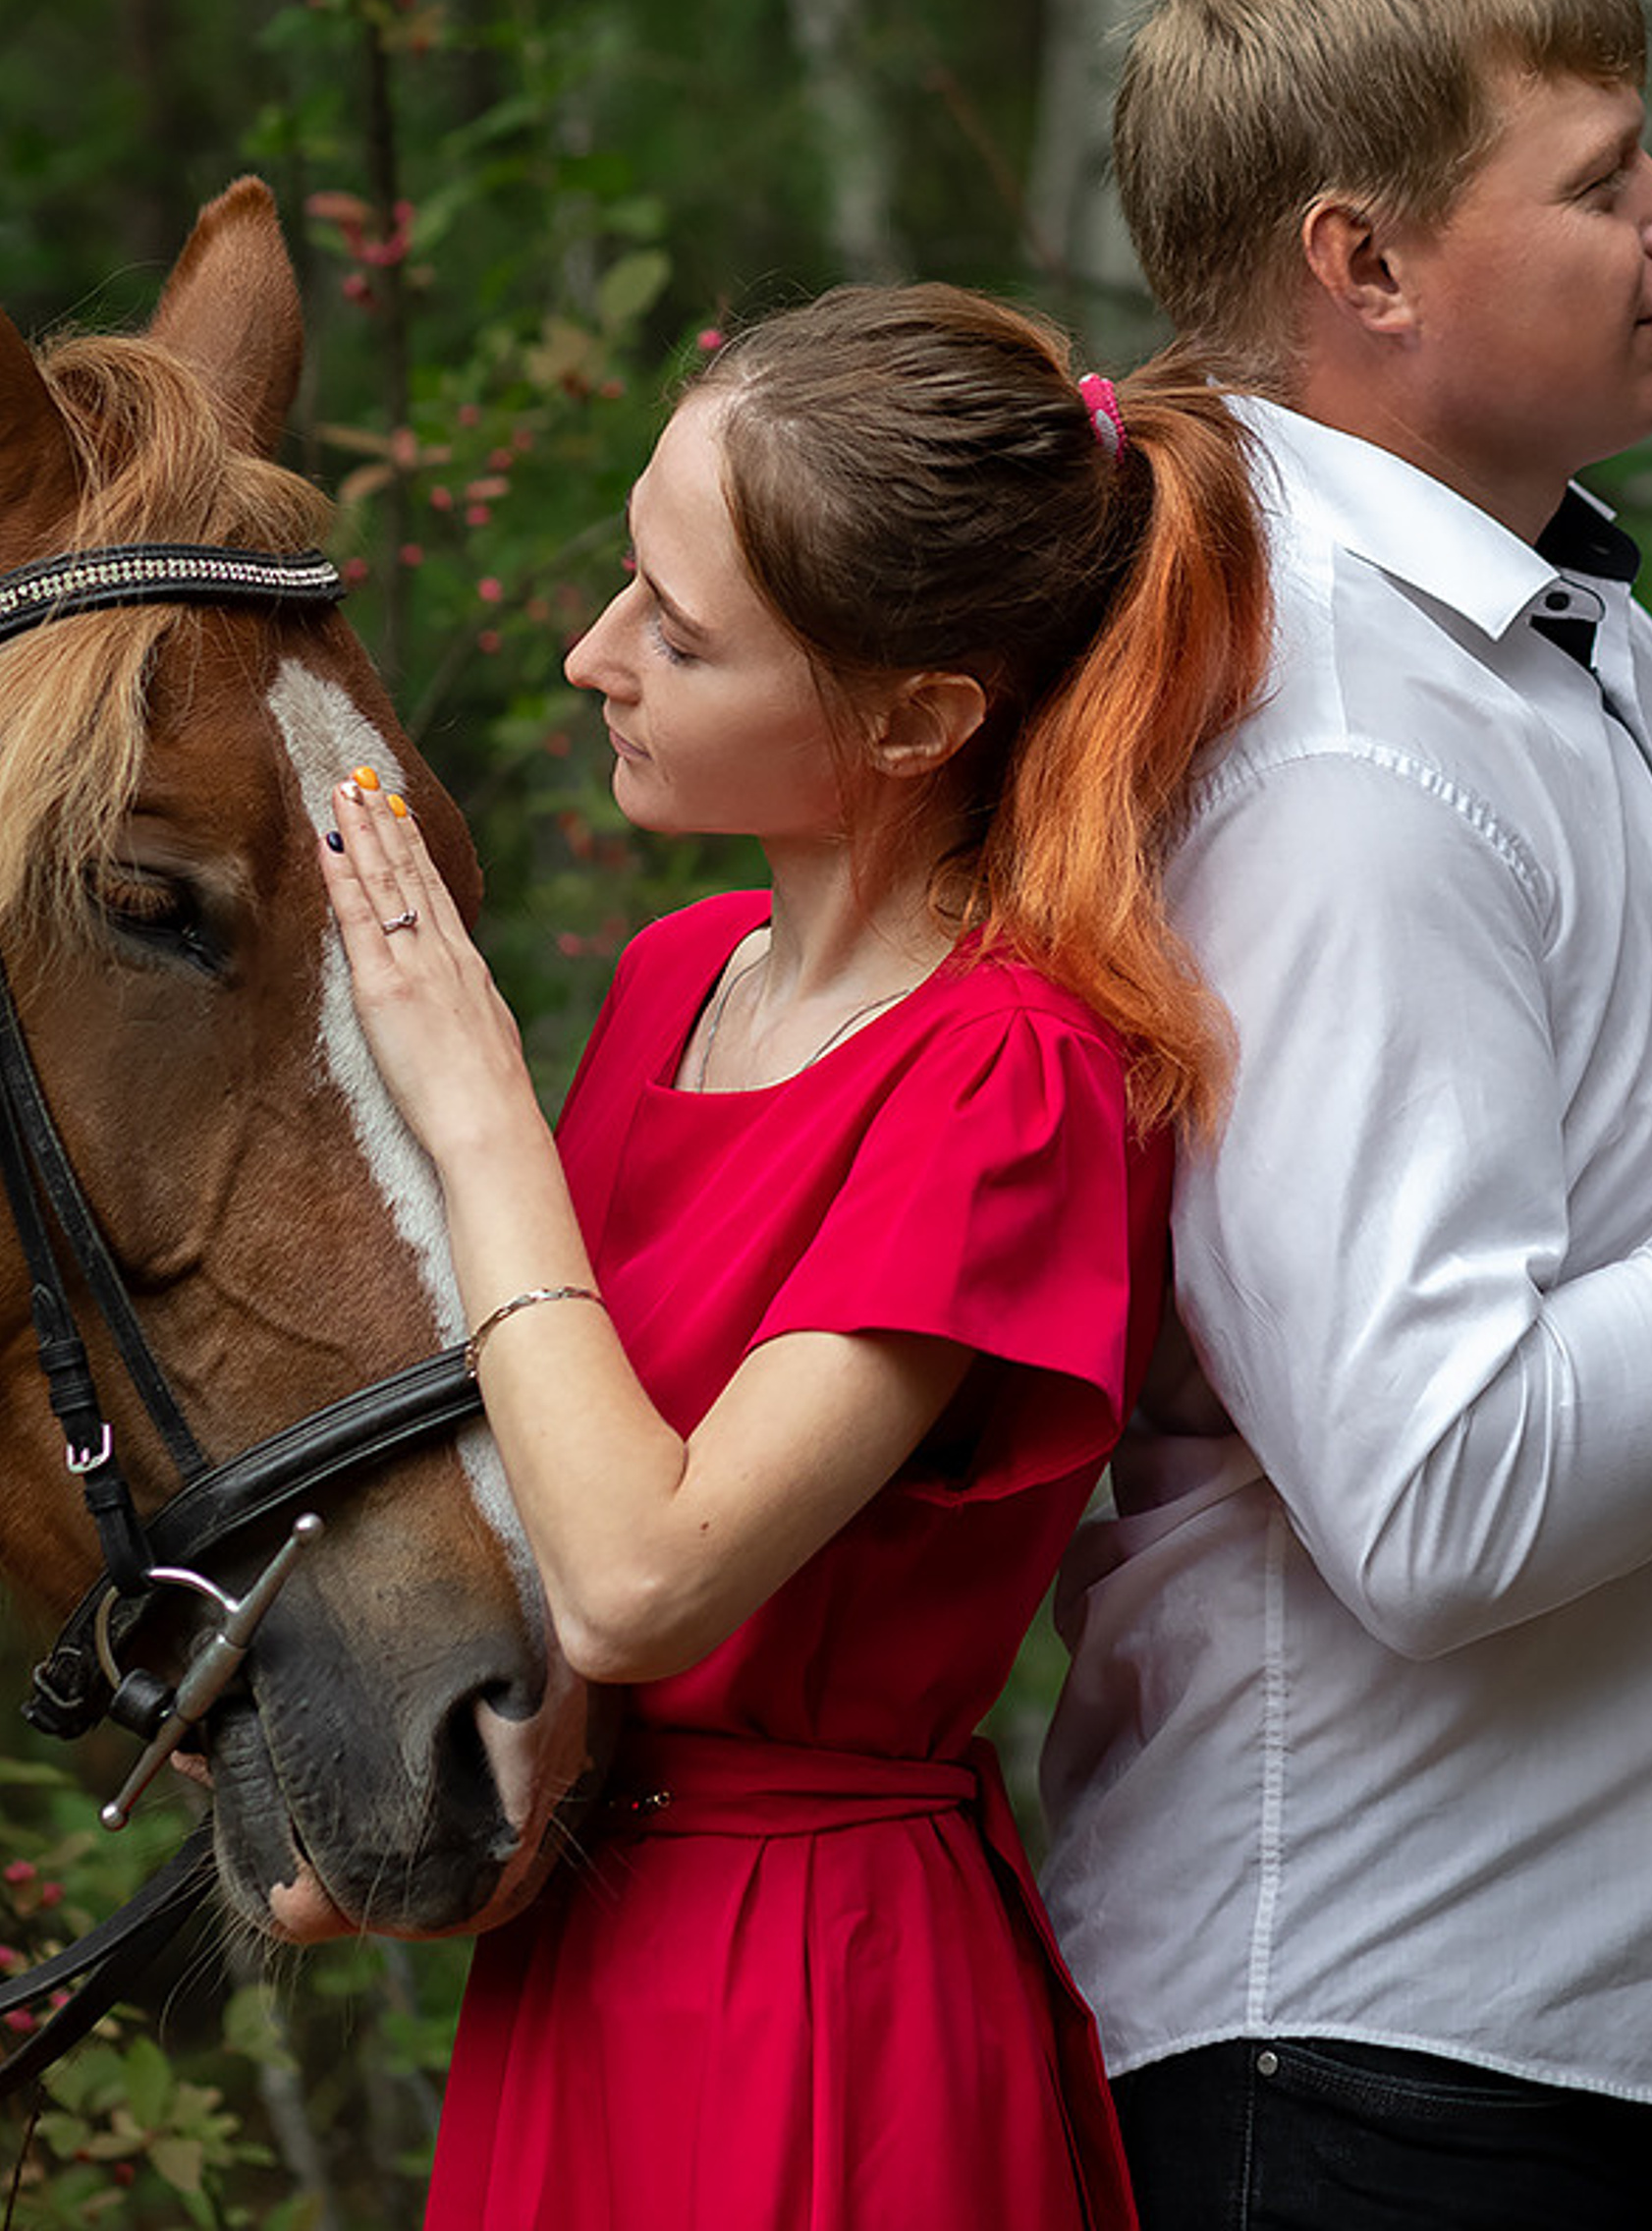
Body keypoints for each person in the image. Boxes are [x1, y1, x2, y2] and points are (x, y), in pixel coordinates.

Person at [1037, 0, 1652, 2231]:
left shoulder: (1536, 640)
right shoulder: (1332, 753)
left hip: (1593, 2042)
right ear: (1366, 265)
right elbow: (1442, 1492)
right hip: (1394, 2086)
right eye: (1603, 179)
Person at [315, 282, 1269, 2231]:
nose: (595, 659)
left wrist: (480, 1110)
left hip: (812, 1987)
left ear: (920, 717)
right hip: (579, 1955)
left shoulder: (1010, 1078)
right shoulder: (680, 978)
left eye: (678, 634)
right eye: (622, 589)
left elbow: (653, 1575)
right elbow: (549, 1509)